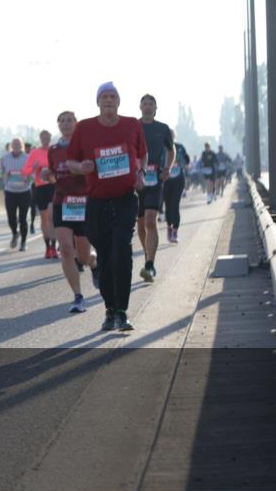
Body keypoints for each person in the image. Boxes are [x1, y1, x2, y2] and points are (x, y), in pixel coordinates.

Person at [67, 82, 147, 332]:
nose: (109, 100)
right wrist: (81, 168)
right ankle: (109, 308)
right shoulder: (84, 128)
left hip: (124, 198)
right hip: (96, 202)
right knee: (104, 257)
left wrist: (141, 173)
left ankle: (122, 311)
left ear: (119, 101)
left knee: (121, 252)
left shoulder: (132, 124)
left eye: (113, 96)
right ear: (98, 102)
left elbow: (143, 154)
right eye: (104, 96)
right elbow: (71, 161)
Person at [43, 111, 98, 312]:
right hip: (61, 202)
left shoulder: (84, 146)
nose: (65, 124)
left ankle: (94, 265)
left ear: (76, 124)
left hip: (83, 203)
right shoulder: (54, 149)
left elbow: (93, 172)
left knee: (83, 256)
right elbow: (53, 176)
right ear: (58, 125)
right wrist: (47, 174)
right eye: (62, 121)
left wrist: (85, 168)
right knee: (65, 249)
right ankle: (78, 296)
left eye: (69, 120)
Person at [136, 94, 174, 283]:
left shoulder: (162, 128)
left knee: (151, 221)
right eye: (145, 103)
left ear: (156, 107)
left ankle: (150, 264)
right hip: (136, 180)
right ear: (140, 107)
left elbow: (170, 150)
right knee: (141, 224)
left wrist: (167, 168)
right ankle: (147, 255)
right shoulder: (133, 127)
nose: (148, 106)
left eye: (151, 103)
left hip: (155, 179)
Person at [24, 130, 58, 258]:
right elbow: (25, 171)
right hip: (40, 187)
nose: (45, 139)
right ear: (40, 138)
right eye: (42, 137)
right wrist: (34, 167)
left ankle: (54, 247)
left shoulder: (54, 150)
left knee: (51, 217)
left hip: (53, 186)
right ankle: (47, 247)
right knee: (44, 219)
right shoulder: (34, 152)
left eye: (47, 137)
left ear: (50, 138)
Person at [0, 137, 31, 251]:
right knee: (11, 218)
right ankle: (15, 233)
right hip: (10, 191)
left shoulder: (27, 158)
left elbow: (33, 174)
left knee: (23, 218)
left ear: (22, 145)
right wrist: (5, 178)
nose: (16, 146)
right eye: (14, 144)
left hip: (24, 191)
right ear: (11, 146)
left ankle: (23, 242)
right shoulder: (5, 158)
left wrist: (28, 179)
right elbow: (0, 172)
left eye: (19, 144)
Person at [164, 134, 191, 243]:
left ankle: (175, 231)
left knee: (175, 205)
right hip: (165, 180)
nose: (169, 138)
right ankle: (169, 228)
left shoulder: (180, 147)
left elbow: (187, 160)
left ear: (174, 136)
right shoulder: (162, 147)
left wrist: (183, 164)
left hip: (178, 179)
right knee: (168, 206)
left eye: (171, 136)